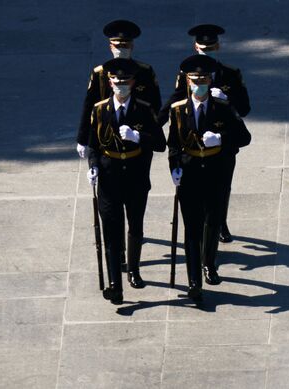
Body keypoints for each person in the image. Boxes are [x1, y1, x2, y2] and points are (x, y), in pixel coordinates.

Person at [77, 19, 162, 266]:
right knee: (112, 205)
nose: (121, 48)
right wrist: (83, 138)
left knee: (135, 195)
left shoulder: (144, 71)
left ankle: (132, 251)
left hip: (136, 139)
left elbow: (155, 105)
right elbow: (89, 107)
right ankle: (119, 252)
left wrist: (146, 132)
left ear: (132, 46)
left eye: (125, 44)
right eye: (117, 44)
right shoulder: (100, 73)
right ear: (110, 46)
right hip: (106, 138)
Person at [167, 55, 251, 301]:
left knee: (212, 221)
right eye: (195, 79)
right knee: (191, 227)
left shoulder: (223, 107)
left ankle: (209, 264)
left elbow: (244, 138)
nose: (199, 83)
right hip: (190, 172)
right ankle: (194, 281)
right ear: (187, 81)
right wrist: (174, 168)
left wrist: (222, 140)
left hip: (217, 170)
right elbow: (173, 144)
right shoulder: (178, 109)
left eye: (204, 79)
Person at [159, 24, 250, 244]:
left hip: (223, 141)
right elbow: (177, 98)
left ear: (217, 47)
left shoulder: (230, 74)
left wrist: (227, 101)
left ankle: (220, 222)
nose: (206, 51)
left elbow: (245, 108)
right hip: (196, 138)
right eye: (202, 47)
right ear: (195, 47)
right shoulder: (188, 73)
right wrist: (157, 121)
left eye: (210, 47)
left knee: (223, 185)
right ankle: (212, 222)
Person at [87, 58, 166, 305]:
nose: (120, 85)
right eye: (116, 81)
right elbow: (93, 144)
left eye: (125, 81)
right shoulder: (99, 110)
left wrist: (138, 136)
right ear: (110, 82)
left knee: (135, 225)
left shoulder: (143, 109)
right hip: (109, 178)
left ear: (133, 83)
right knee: (111, 232)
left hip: (135, 175)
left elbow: (160, 144)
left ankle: (133, 269)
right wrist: (93, 166)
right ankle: (115, 285)